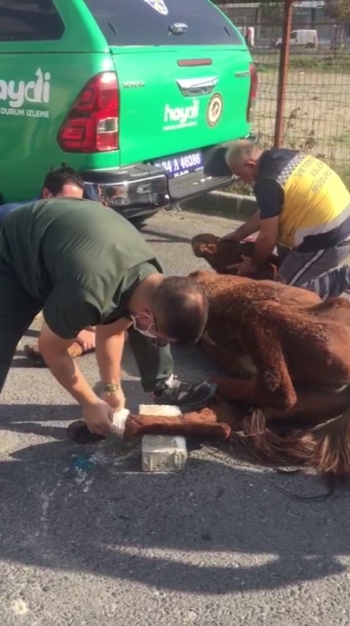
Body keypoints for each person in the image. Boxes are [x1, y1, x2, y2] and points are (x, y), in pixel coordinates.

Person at [0, 197, 216, 435]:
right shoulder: (86, 295)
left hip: (62, 237)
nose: (156, 342)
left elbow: (112, 328)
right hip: (10, 245)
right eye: (157, 337)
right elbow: (52, 348)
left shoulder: (151, 280)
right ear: (146, 315)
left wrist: (112, 387)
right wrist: (89, 402)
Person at [221, 140, 350, 299]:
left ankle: (344, 279)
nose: (242, 179)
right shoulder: (285, 156)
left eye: (239, 174)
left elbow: (268, 239)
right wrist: (239, 234)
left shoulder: (268, 183)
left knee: (285, 295)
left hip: (329, 240)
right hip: (341, 221)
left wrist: (252, 264)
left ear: (250, 165)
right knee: (283, 249)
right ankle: (300, 271)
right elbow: (269, 211)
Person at [0, 166, 96, 356]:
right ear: (47, 194)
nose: (71, 209)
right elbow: (44, 279)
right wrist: (75, 329)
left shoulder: (55, 220)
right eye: (65, 201)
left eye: (77, 203)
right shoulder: (20, 218)